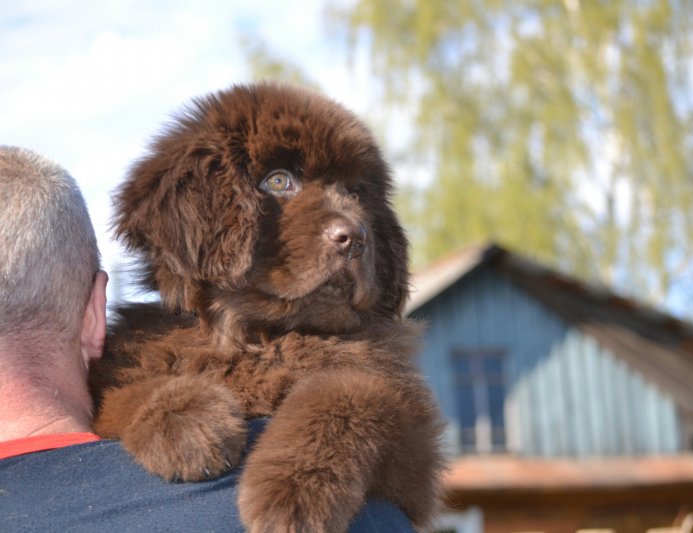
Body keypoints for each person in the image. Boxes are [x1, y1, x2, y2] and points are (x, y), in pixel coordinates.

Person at [0, 146, 417, 532]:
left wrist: (344, 421)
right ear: (95, 314)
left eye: (357, 194)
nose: (350, 225)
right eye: (278, 182)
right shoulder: (363, 517)